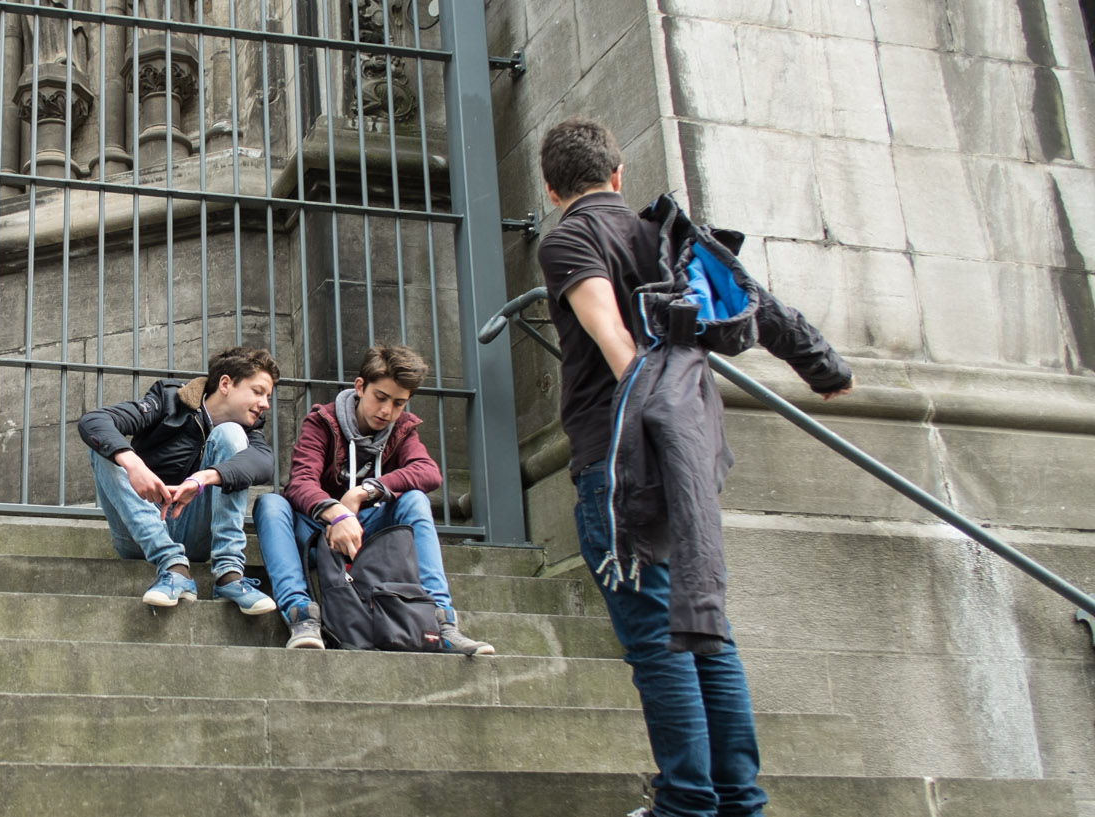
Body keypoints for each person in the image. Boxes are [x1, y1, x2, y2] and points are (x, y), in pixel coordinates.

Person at [535, 117, 853, 817]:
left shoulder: (568, 238)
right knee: (705, 628)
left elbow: (611, 333)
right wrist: (823, 367)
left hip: (623, 452)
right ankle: (738, 799)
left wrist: (641, 405)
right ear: (617, 175)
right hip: (693, 450)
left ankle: (685, 802)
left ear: (552, 187)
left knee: (658, 636)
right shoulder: (667, 236)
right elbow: (759, 307)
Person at [252, 345, 494, 655]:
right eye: (380, 398)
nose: (387, 411)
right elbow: (300, 483)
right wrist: (336, 512)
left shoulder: (403, 430)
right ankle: (302, 616)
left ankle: (442, 624)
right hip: (318, 534)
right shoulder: (323, 422)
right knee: (270, 505)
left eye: (398, 403)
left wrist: (367, 490)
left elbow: (428, 472)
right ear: (360, 387)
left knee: (416, 500)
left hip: (372, 536)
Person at [77, 346, 280, 613]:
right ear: (226, 384)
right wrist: (133, 463)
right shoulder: (170, 400)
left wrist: (205, 477)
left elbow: (265, 464)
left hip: (194, 532)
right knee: (105, 448)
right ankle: (172, 566)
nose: (265, 404)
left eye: (268, 396)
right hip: (140, 529)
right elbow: (94, 421)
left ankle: (229, 574)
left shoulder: (249, 430)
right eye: (257, 392)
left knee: (231, 435)